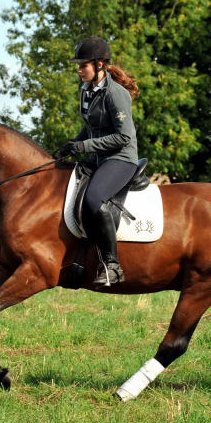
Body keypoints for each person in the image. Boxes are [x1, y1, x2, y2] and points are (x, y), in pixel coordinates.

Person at [58, 36, 140, 287]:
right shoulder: (85, 90)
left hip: (121, 158)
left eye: (83, 65)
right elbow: (89, 128)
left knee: (94, 200)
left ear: (100, 65)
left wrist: (85, 146)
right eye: (79, 65)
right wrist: (72, 145)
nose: (79, 69)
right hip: (97, 158)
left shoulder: (116, 94)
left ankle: (113, 265)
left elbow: (123, 137)